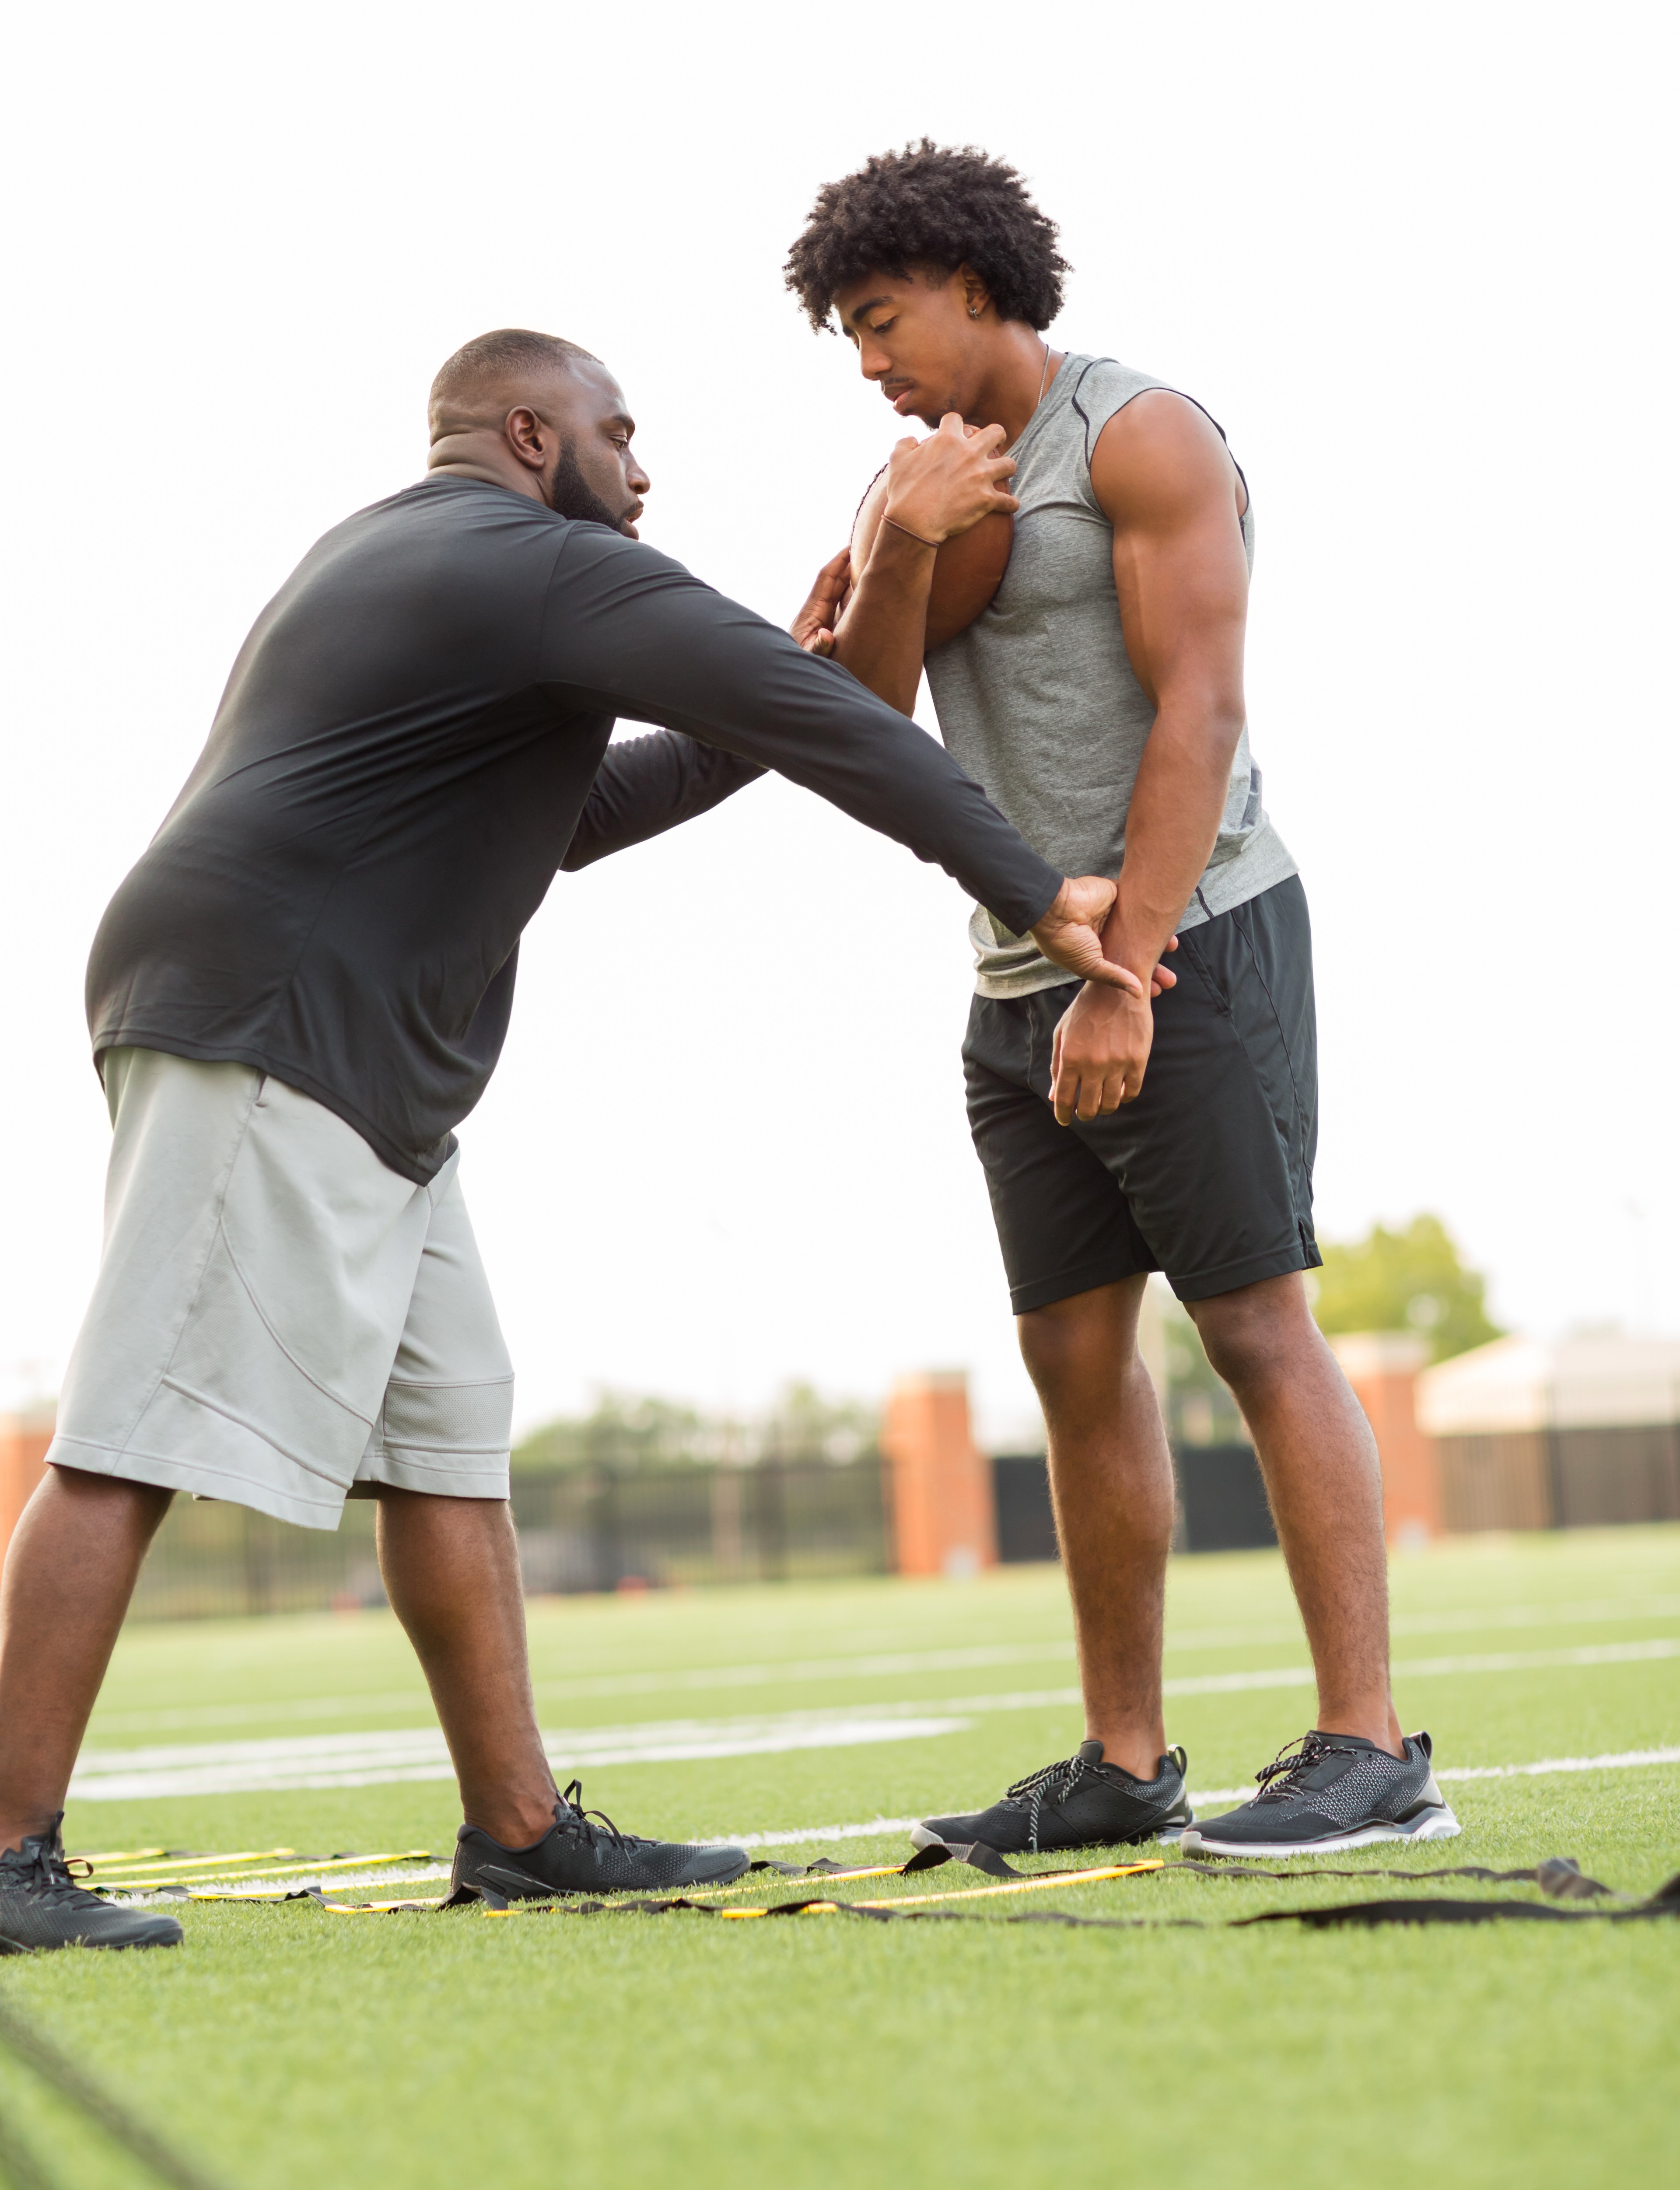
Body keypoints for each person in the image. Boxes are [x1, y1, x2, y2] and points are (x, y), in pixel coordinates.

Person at [0, 328, 1136, 1950]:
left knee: (447, 1441)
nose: (646, 465)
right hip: (275, 1022)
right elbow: (833, 731)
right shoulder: (528, 561)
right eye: (623, 430)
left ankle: (520, 1830)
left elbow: (575, 818)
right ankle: (4, 1846)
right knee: (134, 1432)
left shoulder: (413, 550)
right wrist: (1033, 885)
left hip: (359, 1062)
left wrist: (787, 684)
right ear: (534, 436)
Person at [784, 143, 1460, 1859]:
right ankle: (1122, 1759)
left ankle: (1371, 1744)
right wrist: (893, 540)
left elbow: (1201, 715)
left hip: (1188, 941)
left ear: (973, 283)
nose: (870, 362)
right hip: (1018, 969)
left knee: (1253, 1325)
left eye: (881, 321)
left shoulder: (1139, 438)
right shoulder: (915, 479)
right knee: (1076, 1360)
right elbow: (862, 734)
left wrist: (1129, 977)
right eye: (850, 339)